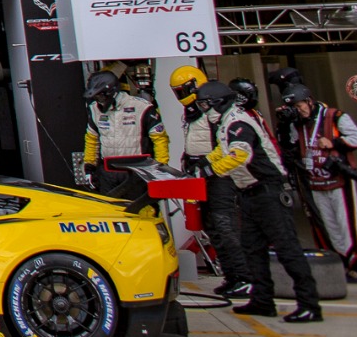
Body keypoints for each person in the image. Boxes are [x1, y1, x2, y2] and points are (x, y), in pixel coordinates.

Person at [199, 82, 322, 323]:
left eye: (205, 105)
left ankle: (309, 304)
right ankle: (262, 300)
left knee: (287, 249)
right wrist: (203, 160)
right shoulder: (226, 122)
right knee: (252, 250)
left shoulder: (239, 122)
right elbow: (223, 150)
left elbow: (239, 155)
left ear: (218, 102)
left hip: (269, 192)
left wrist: (209, 170)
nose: (204, 110)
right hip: (248, 194)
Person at [171, 66, 252, 297]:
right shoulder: (191, 111)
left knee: (224, 225)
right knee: (211, 227)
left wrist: (210, 166)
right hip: (201, 171)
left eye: (182, 89)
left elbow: (227, 145)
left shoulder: (217, 109)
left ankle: (245, 276)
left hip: (219, 175)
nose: (180, 94)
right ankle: (231, 275)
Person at [284, 83, 357, 282]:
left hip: (338, 179)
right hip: (316, 181)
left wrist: (334, 143)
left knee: (348, 225)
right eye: (294, 107)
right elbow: (292, 145)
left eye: (299, 106)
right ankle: (342, 264)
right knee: (331, 226)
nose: (298, 111)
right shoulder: (298, 124)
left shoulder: (335, 116)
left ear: (309, 101)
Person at [82, 70, 168, 200]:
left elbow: (160, 139)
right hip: (108, 173)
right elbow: (92, 139)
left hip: (136, 172)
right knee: (109, 213)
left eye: (100, 97)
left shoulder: (141, 107)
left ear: (112, 92)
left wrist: (160, 168)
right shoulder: (94, 110)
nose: (98, 101)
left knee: (142, 212)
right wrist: (89, 167)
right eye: (95, 97)